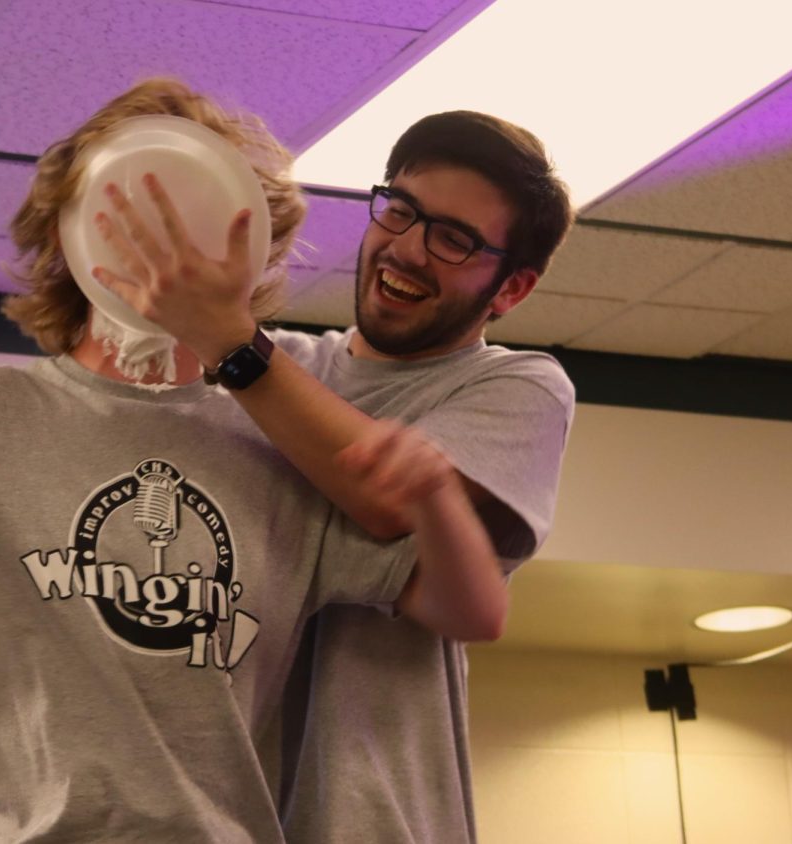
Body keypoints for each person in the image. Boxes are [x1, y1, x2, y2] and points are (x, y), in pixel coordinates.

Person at [0, 78, 501, 842]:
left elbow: (468, 611)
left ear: (255, 251)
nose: (165, 250)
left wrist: (435, 497)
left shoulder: (282, 453)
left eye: (192, 223)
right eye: (133, 217)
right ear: (74, 230)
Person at [94, 109, 575, 842]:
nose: (408, 249)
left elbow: (382, 501)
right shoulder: (260, 366)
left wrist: (231, 343)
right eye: (402, 211)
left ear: (510, 290)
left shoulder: (520, 388)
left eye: (453, 239)